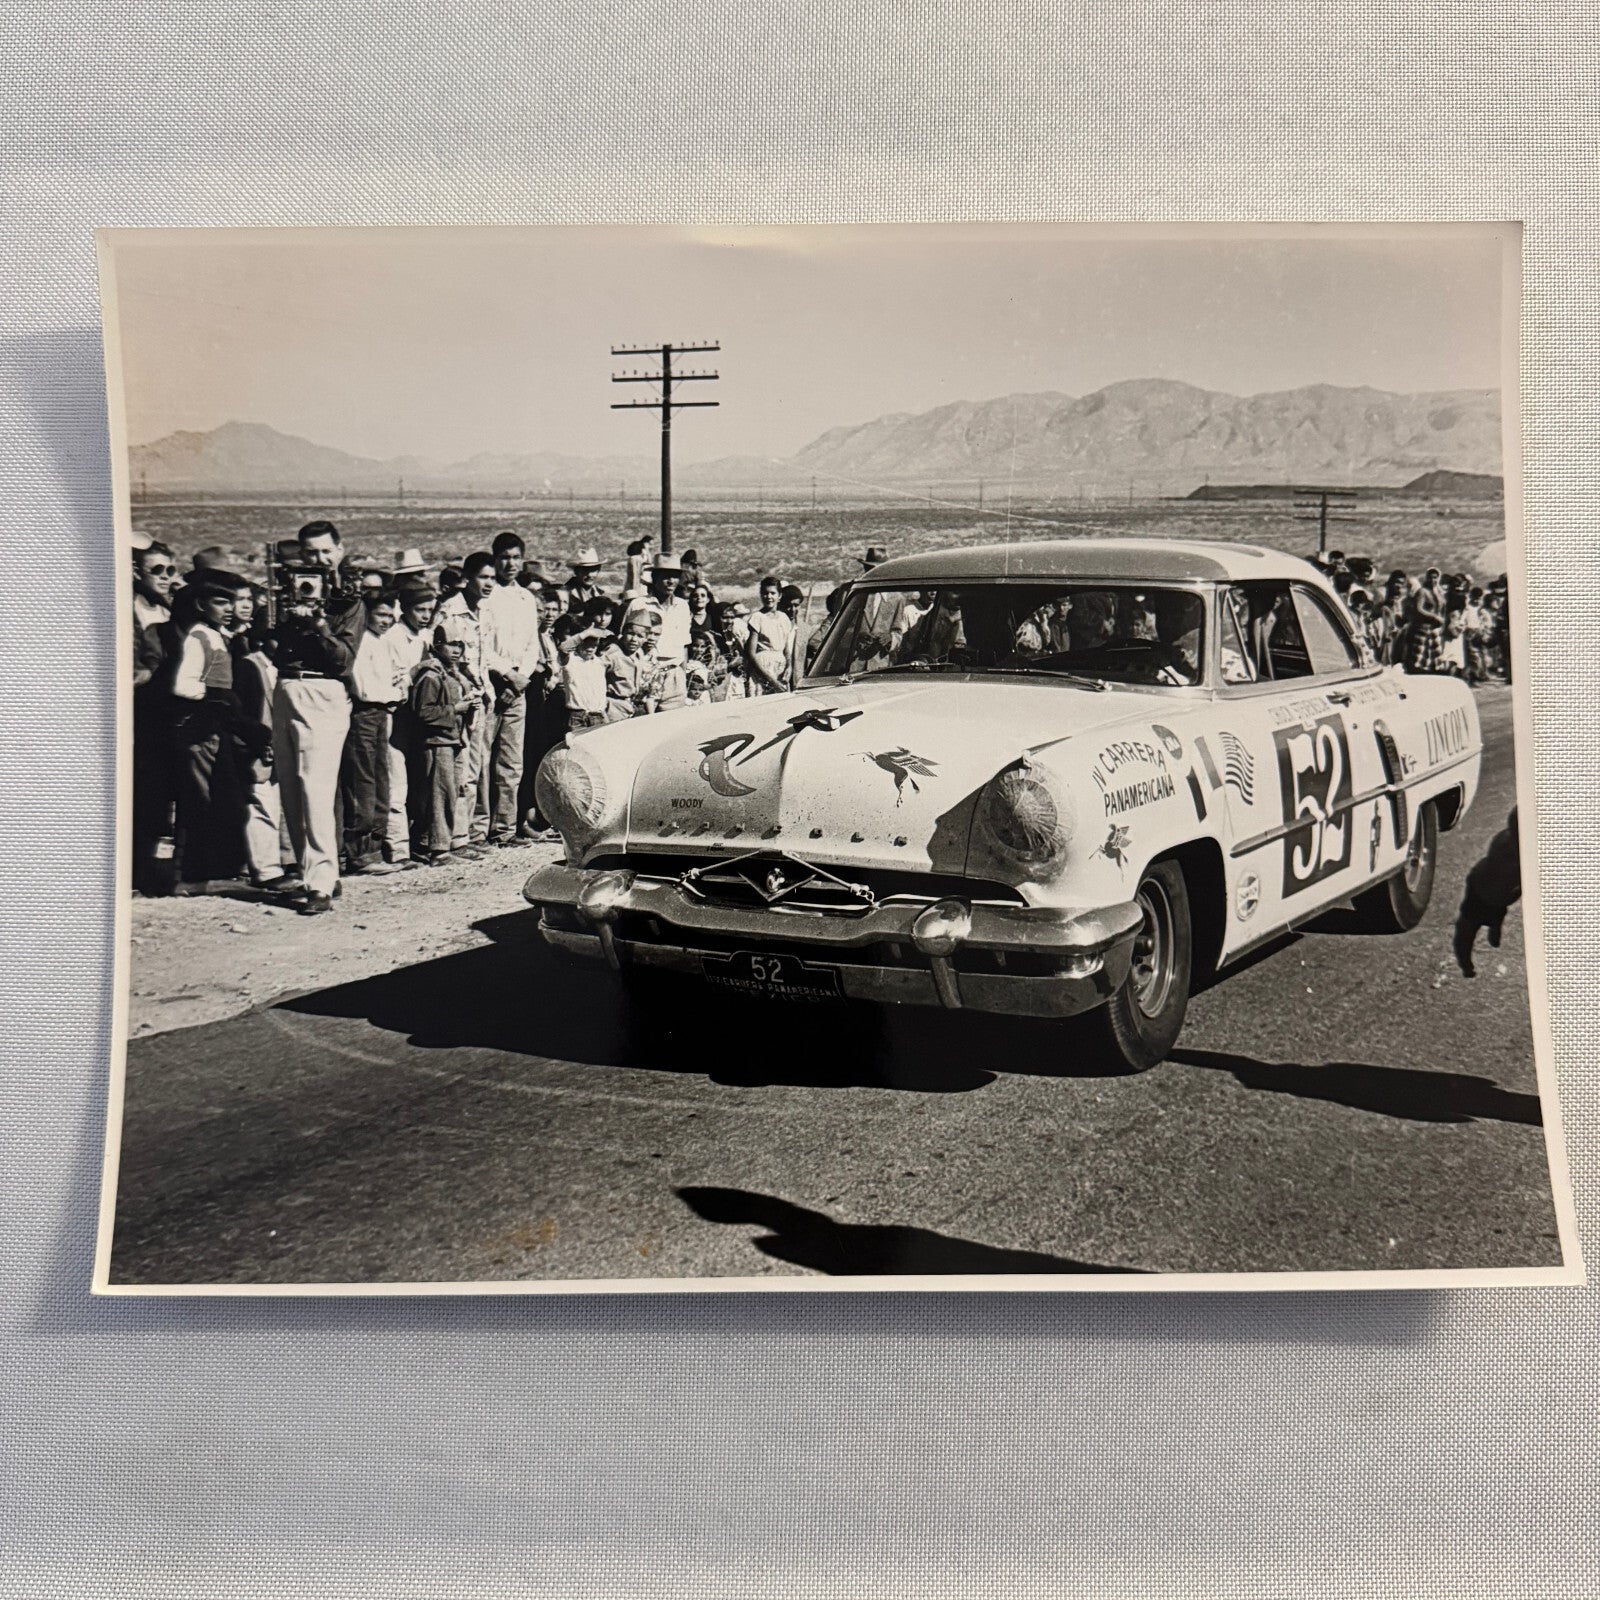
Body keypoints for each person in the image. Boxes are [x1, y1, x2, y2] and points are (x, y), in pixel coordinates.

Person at [269, 520, 367, 916]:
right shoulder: (287, 593)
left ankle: (321, 882)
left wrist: (319, 625)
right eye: (311, 552)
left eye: (326, 551)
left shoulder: (348, 601)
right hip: (286, 686)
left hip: (323, 691)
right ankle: (313, 871)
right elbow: (272, 646)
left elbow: (343, 660)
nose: (319, 559)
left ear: (339, 550)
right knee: (292, 789)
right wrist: (282, 614)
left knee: (316, 788)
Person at [169, 576, 248, 893]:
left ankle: (210, 871)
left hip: (217, 727)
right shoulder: (198, 637)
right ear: (201, 605)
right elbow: (183, 685)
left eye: (231, 602)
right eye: (220, 602)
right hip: (201, 729)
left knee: (217, 799)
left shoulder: (217, 636)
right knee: (200, 801)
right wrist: (214, 695)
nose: (228, 609)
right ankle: (190, 877)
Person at [477, 530, 547, 848]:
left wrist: (520, 678)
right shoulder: (487, 596)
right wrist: (505, 674)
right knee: (482, 759)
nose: (510, 564)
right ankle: (476, 830)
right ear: (495, 559)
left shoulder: (526, 598)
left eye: (516, 557)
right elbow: (483, 645)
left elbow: (532, 644)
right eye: (504, 558)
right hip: (491, 683)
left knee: (511, 761)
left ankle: (504, 828)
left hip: (518, 687)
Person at [340, 592, 405, 875]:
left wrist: (398, 688)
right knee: (363, 781)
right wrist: (395, 693)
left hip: (381, 714)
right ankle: (360, 851)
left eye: (390, 616)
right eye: (381, 615)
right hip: (364, 714)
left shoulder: (383, 642)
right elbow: (365, 689)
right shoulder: (361, 641)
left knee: (381, 779)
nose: (386, 621)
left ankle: (376, 848)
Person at [227, 580, 287, 889]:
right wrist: (258, 742)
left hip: (278, 748)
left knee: (276, 808)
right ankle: (265, 870)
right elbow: (245, 713)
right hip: (257, 749)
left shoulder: (282, 668)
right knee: (260, 806)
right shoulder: (249, 667)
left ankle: (283, 862)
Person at [437, 552, 495, 856]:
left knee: (477, 766)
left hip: (480, 696)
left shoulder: (485, 611)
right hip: (458, 696)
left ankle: (472, 831)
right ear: (468, 578)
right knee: (461, 768)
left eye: (492, 578)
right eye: (483, 577)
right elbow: (441, 653)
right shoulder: (450, 610)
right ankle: (457, 836)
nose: (488, 584)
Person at [131, 541, 180, 894]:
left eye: (169, 570)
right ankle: (139, 869)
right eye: (156, 570)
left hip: (165, 709)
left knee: (161, 791)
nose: (164, 577)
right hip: (143, 708)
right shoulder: (130, 609)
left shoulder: (167, 607)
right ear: (137, 572)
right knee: (143, 789)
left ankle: (153, 868)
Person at [408, 621, 473, 865]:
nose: (456, 650)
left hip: (451, 740)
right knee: (439, 797)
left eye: (460, 645)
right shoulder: (431, 675)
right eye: (451, 644)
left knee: (445, 795)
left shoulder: (451, 673)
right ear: (437, 646)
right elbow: (423, 712)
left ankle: (426, 843)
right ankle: (439, 850)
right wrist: (456, 708)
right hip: (436, 743)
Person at [383, 582, 436, 864]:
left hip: (418, 718)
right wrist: (417, 670)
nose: (425, 616)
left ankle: (419, 841)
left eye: (429, 610)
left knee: (421, 783)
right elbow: (395, 678)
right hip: (397, 715)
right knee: (397, 783)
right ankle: (398, 849)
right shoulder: (393, 637)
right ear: (405, 609)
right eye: (420, 610)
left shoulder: (424, 636)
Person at [1455, 810, 1520, 977]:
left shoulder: (1508, 840)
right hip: (1483, 891)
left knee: (1496, 912)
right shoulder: (1508, 851)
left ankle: (1493, 931)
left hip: (1493, 891)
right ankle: (1466, 965)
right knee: (1468, 928)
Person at [604, 613, 664, 719]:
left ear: (646, 638)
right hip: (612, 707)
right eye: (630, 634)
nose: (634, 639)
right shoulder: (612, 653)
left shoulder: (639, 653)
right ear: (623, 632)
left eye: (640, 636)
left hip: (630, 707)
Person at [745, 575, 794, 694]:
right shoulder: (757, 618)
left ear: (779, 596)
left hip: (780, 668)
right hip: (762, 670)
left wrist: (789, 666)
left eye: (773, 593)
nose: (769, 597)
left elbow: (787, 650)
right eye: (765, 593)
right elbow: (751, 653)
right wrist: (771, 681)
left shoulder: (784, 618)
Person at [562, 626, 611, 731]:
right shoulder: (571, 660)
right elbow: (563, 648)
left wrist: (604, 714)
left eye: (593, 645)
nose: (589, 649)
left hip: (598, 715)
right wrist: (585, 633)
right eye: (586, 644)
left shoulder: (599, 663)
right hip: (577, 716)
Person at [566, 547, 607, 612]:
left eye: (593, 570)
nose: (589, 575)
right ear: (576, 572)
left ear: (598, 571)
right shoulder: (566, 593)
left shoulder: (598, 594)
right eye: (585, 570)